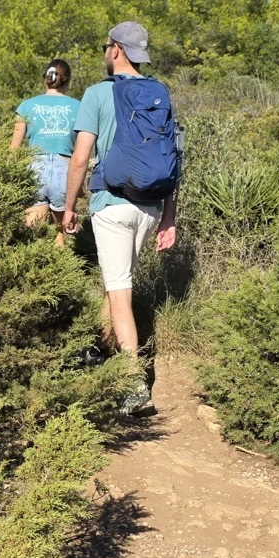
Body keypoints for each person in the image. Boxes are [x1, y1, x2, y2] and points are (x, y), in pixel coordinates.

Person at [62, 22, 179, 417]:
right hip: (148, 205)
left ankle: (132, 386)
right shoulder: (159, 93)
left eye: (106, 46)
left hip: (111, 204)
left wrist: (68, 206)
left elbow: (80, 158)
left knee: (119, 292)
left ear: (115, 50)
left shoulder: (97, 93)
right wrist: (168, 218)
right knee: (120, 281)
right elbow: (173, 159)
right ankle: (106, 350)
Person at [11, 59, 81, 246]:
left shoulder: (26, 105)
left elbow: (14, 147)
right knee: (61, 235)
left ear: (46, 80)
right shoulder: (79, 107)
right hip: (65, 170)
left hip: (35, 168)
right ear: (68, 81)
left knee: (33, 237)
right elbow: (83, 150)